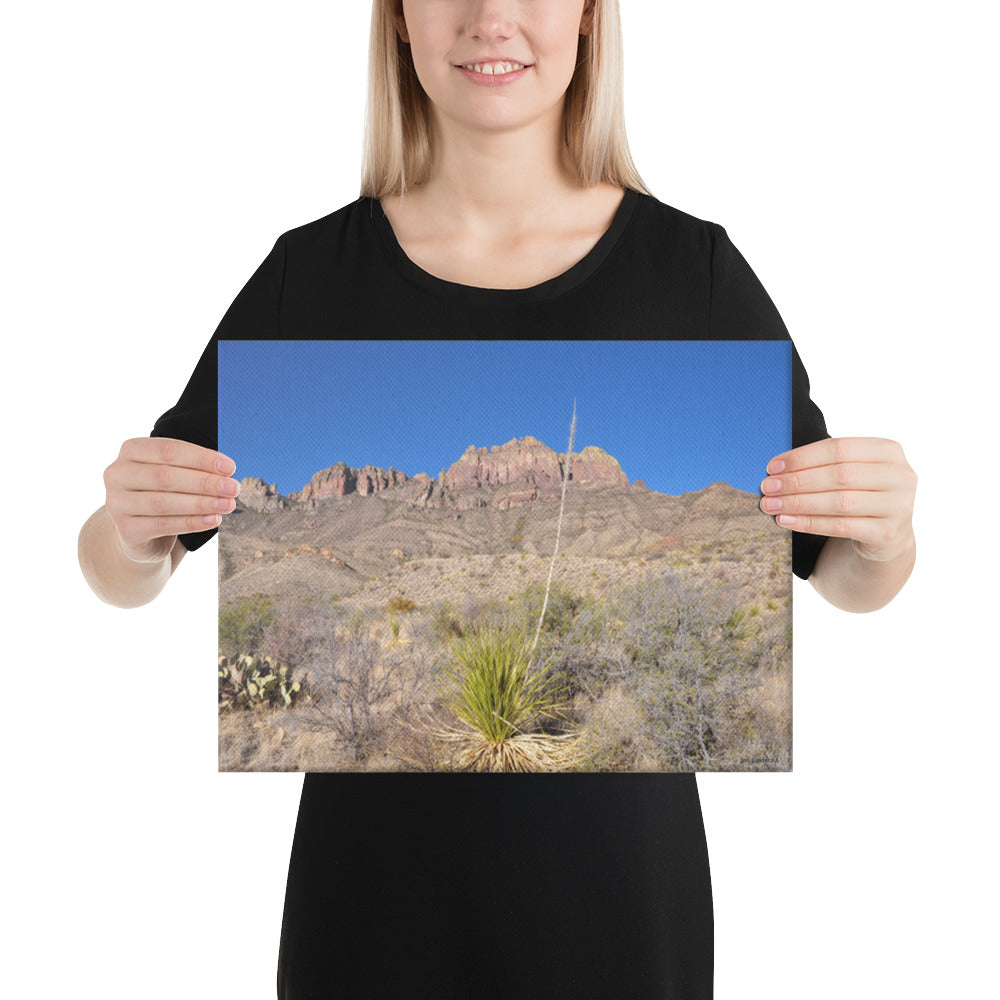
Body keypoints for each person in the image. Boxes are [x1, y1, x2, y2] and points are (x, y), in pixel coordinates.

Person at [77, 1, 917, 996]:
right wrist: (129, 533)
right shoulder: (310, 275)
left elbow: (842, 575)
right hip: (368, 916)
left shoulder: (693, 273)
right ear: (396, 19)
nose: (491, 18)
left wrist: (885, 532)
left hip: (620, 915)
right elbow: (121, 567)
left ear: (591, 18)